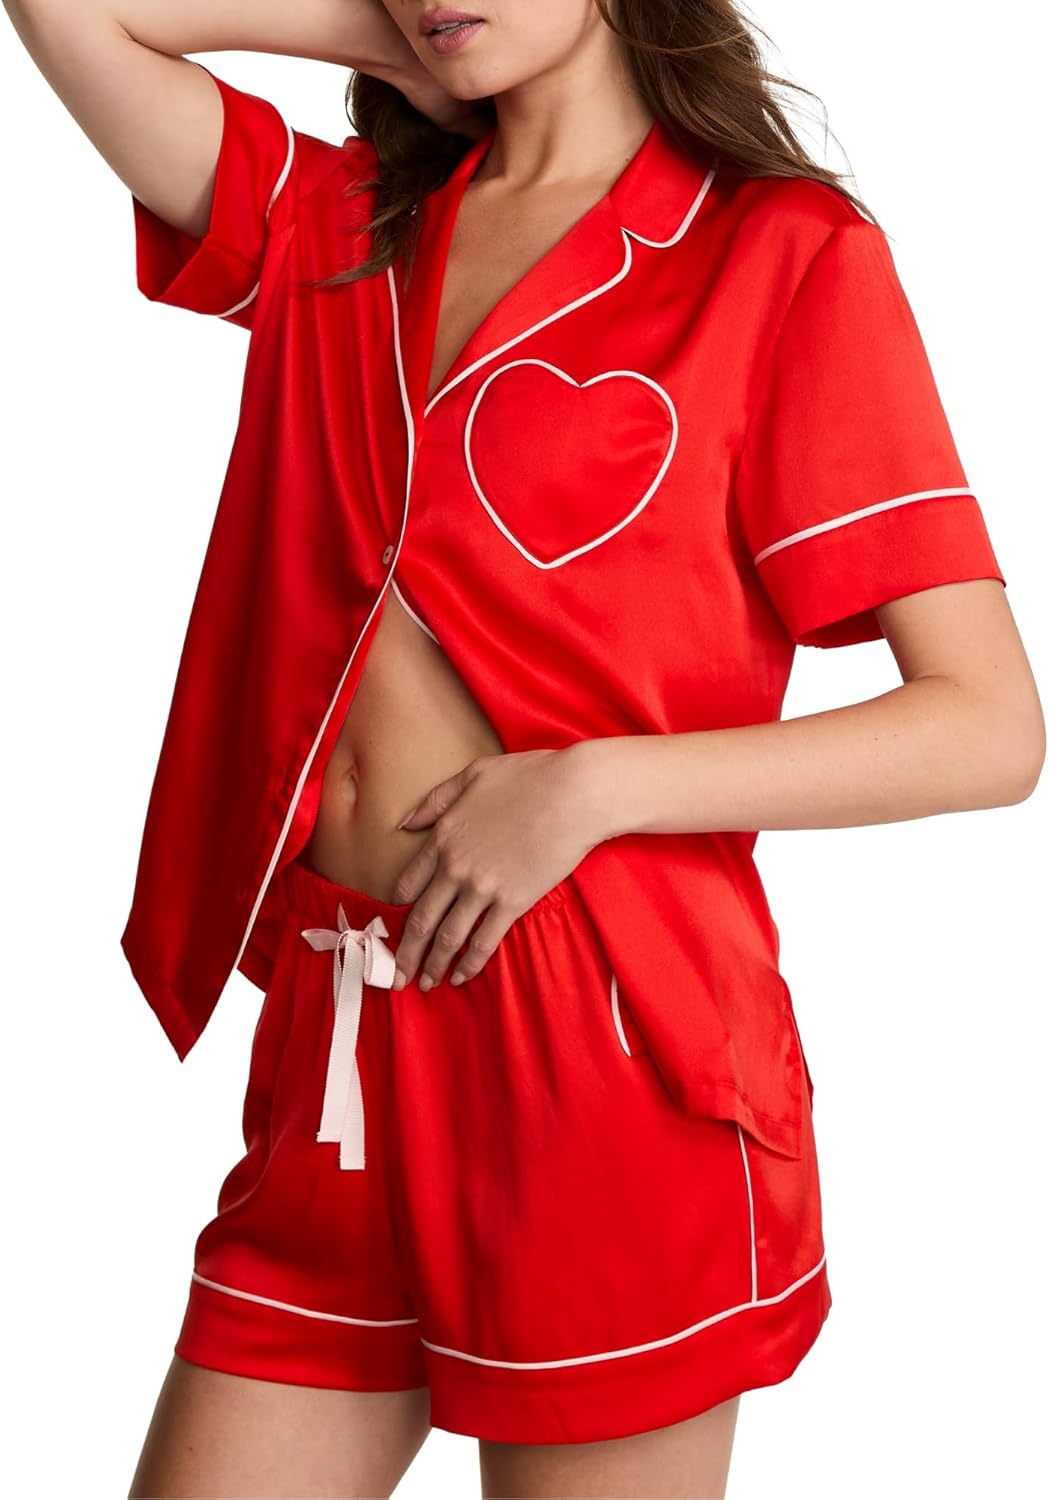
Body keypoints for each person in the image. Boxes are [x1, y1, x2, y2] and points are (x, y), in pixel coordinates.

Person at [6, 1, 1044, 1496]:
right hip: (338, 1028)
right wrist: (401, 46)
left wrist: (596, 787)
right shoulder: (337, 224)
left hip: (600, 1038)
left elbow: (988, 725)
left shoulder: (777, 254)